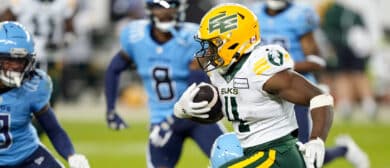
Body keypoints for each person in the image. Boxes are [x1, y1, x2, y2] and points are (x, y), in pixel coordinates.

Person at [174, 3, 333, 167]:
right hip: (254, 152)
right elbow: (225, 112)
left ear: (232, 41)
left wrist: (316, 140)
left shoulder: (260, 68)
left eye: (213, 44)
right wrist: (183, 110)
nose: (207, 51)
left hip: (277, 154)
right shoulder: (221, 71)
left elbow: (320, 97)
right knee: (223, 149)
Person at [104, 0, 224, 167]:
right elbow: (114, 68)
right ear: (149, 9)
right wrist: (110, 108)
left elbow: (196, 89)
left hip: (198, 115)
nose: (165, 12)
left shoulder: (193, 37)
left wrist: (170, 121)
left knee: (229, 160)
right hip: (161, 118)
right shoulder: (135, 36)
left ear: (180, 8)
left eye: (172, 5)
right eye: (159, 7)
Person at [250, 0, 369, 167]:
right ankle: (344, 149)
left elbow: (317, 61)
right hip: (265, 92)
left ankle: (343, 150)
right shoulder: (252, 13)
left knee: (304, 152)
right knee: (268, 151)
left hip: (296, 91)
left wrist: (278, 65)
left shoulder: (300, 14)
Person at [0, 21, 89, 168]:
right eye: (8, 60)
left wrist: (71, 155)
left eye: (20, 61)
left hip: (27, 157)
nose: (15, 67)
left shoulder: (33, 86)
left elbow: (53, 128)